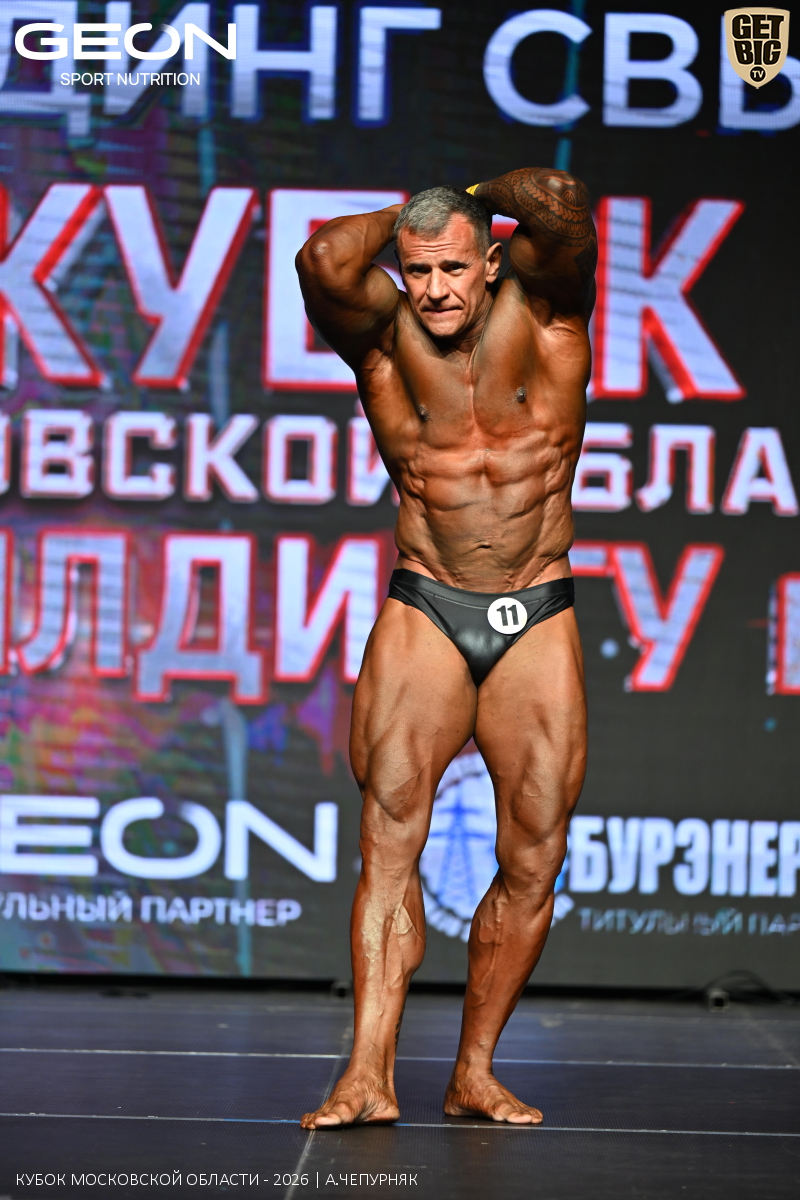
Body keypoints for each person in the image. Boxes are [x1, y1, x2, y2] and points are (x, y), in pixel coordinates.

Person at [295, 168, 595, 1127]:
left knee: (535, 851)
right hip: (427, 602)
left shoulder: (547, 316)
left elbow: (560, 204)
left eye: (454, 268)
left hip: (534, 607)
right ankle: (366, 1075)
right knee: (389, 840)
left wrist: (469, 195)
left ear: (492, 260)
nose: (433, 290)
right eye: (417, 270)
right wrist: (414, 214)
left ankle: (474, 1070)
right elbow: (322, 257)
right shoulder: (384, 340)